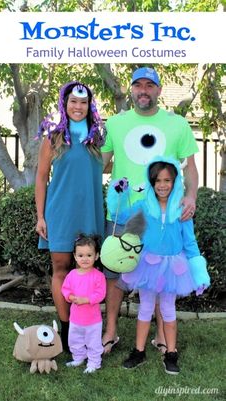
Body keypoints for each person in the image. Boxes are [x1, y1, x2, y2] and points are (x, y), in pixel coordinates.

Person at [101, 66, 199, 353]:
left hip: (163, 215)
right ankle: (111, 332)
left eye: (149, 85)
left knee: (162, 272)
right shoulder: (116, 124)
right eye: (138, 85)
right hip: (124, 212)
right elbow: (100, 161)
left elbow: (191, 167)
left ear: (158, 90)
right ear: (131, 89)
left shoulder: (177, 124)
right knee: (115, 273)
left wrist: (191, 196)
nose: (143, 91)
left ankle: (160, 335)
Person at [107, 156, 210, 374]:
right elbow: (121, 215)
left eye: (167, 180)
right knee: (144, 308)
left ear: (175, 181)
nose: (162, 185)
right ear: (151, 182)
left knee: (168, 309)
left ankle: (171, 353)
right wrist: (119, 194)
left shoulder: (182, 209)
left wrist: (199, 273)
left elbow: (190, 242)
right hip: (148, 265)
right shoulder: (144, 207)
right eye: (158, 181)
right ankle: (139, 351)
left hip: (173, 268)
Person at [35, 81, 105, 352]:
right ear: (64, 104)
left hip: (90, 213)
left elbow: (109, 164)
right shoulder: (53, 138)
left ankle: (88, 328)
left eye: (83, 102)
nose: (78, 107)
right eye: (73, 102)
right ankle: (66, 332)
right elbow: (41, 178)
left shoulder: (97, 138)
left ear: (90, 106)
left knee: (89, 271)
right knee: (61, 270)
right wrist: (41, 216)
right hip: (60, 214)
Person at [61, 234, 106, 373]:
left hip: (93, 320)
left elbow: (100, 293)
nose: (85, 259)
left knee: (93, 342)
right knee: (75, 340)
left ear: (96, 256)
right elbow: (65, 289)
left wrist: (86, 300)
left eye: (89, 255)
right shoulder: (72, 274)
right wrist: (70, 296)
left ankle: (94, 362)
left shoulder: (98, 276)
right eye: (80, 255)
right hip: (75, 318)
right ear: (75, 256)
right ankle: (78, 357)